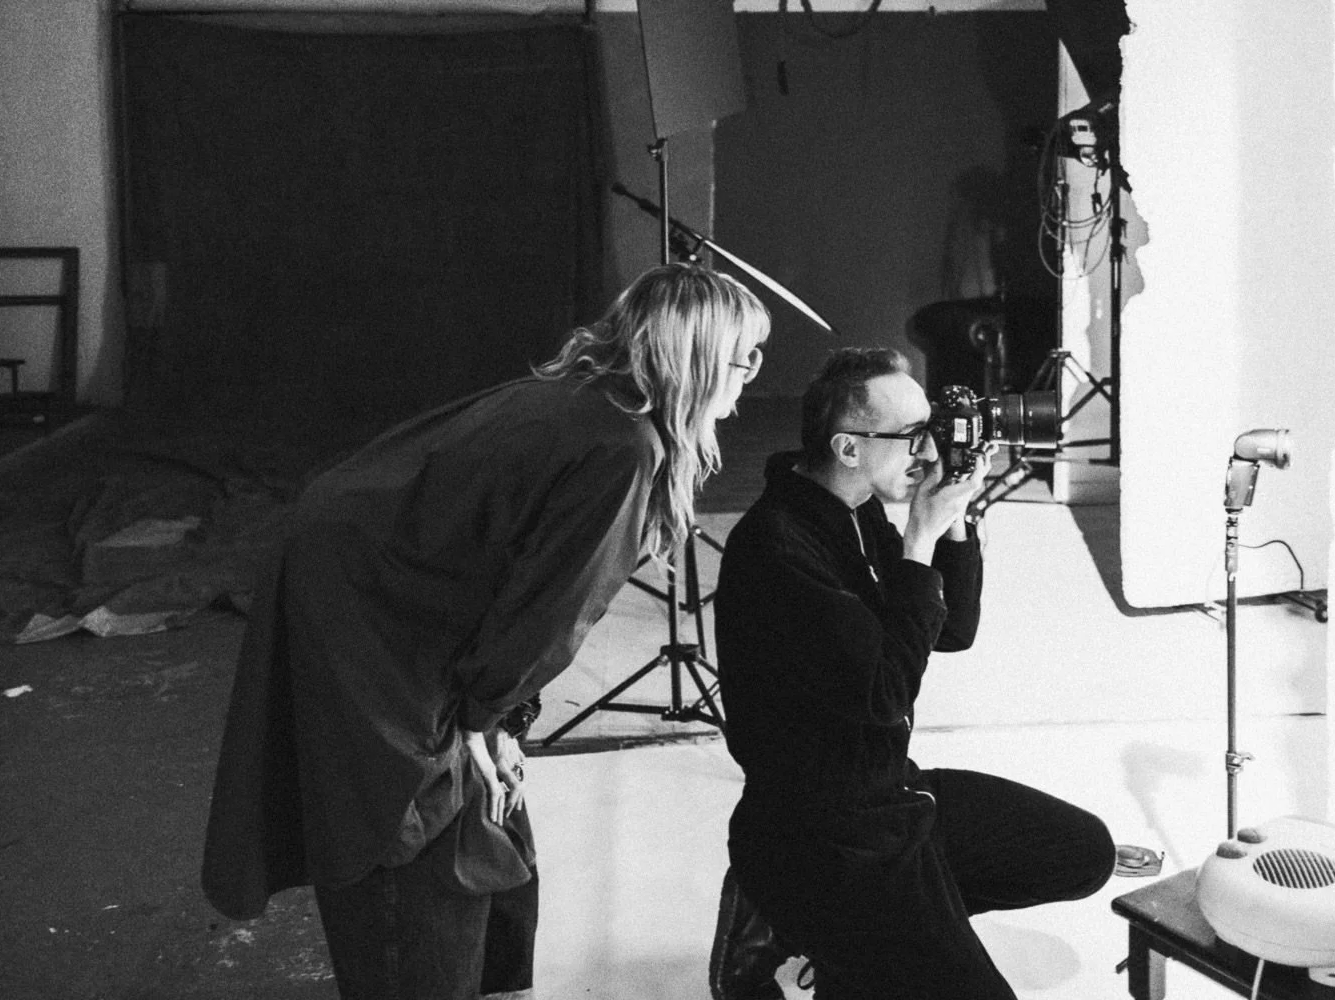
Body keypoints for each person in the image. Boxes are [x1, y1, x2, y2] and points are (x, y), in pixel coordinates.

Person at [200, 262, 771, 1000]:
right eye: (744, 354)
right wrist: (481, 719)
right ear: (695, 355)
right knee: (403, 797)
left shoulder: (587, 399)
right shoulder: (621, 449)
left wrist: (494, 719)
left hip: (361, 559)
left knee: (478, 794)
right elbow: (547, 618)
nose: (752, 374)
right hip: (369, 597)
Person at [709, 347, 1116, 1000]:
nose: (929, 452)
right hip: (824, 840)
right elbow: (885, 691)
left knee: (1084, 853)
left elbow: (950, 630)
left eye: (932, 429)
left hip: (891, 795)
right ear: (847, 447)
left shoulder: (854, 505)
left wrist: (952, 525)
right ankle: (832, 930)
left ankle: (869, 953)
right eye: (911, 436)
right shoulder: (776, 552)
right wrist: (918, 539)